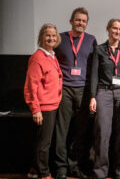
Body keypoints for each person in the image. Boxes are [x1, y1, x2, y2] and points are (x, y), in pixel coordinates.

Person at [89, 19, 120, 179]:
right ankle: (100, 172)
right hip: (104, 92)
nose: (117, 31)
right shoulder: (99, 49)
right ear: (108, 29)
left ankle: (119, 172)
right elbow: (94, 74)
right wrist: (92, 97)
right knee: (103, 133)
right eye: (114, 28)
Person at [54, 7, 97, 179]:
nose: (81, 23)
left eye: (84, 21)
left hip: (83, 90)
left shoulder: (91, 40)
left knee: (81, 131)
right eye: (78, 20)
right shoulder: (60, 38)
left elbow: (94, 67)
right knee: (61, 130)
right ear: (71, 21)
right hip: (64, 89)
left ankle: (75, 165)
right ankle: (61, 168)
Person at [24, 23, 63, 179]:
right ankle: (44, 173)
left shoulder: (51, 55)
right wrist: (36, 109)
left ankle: (34, 169)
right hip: (44, 107)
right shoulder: (37, 58)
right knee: (44, 143)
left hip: (53, 105)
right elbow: (30, 86)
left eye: (54, 35)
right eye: (47, 35)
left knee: (42, 140)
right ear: (41, 37)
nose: (51, 38)